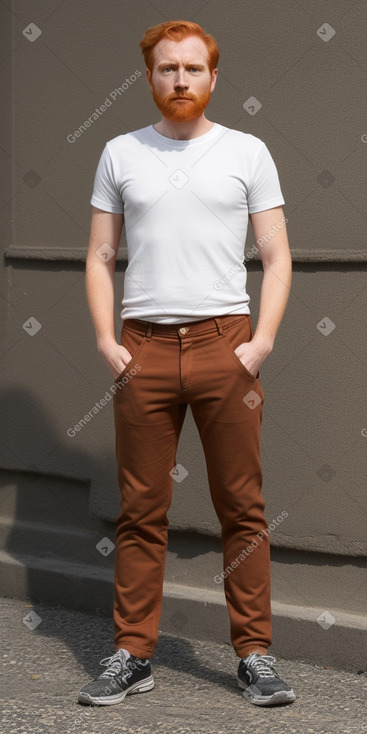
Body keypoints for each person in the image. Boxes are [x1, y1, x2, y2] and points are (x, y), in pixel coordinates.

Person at [78, 19, 295, 708]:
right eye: (167, 69)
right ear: (147, 78)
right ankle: (132, 654)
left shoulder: (247, 152)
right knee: (141, 511)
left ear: (212, 77)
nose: (179, 80)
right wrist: (107, 342)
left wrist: (258, 343)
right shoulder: (119, 153)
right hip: (141, 347)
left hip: (224, 346)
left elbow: (277, 256)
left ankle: (254, 655)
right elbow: (99, 256)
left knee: (243, 509)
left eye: (192, 69)